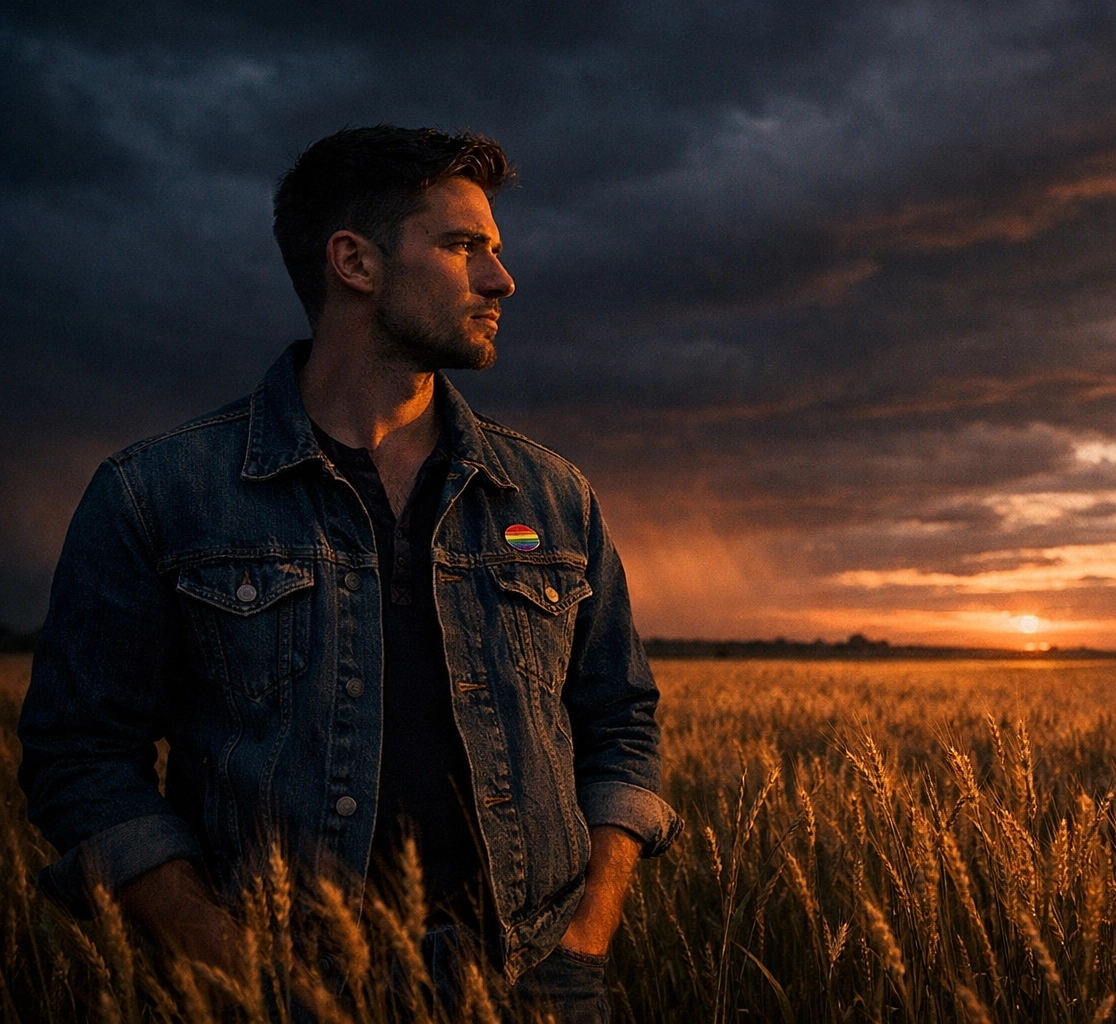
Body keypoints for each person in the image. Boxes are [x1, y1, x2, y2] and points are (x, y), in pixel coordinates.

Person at [18, 125, 679, 1022]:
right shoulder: (159, 495)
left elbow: (620, 718)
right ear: (354, 262)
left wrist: (583, 940)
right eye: (462, 247)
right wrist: (232, 968)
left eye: (497, 250)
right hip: (276, 988)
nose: (501, 279)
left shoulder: (551, 497)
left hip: (536, 983)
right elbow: (80, 758)